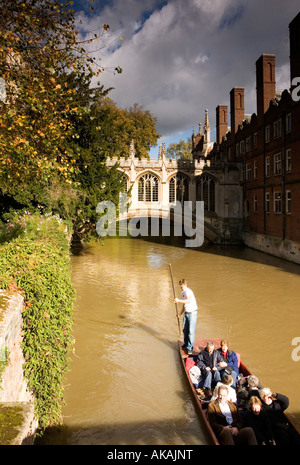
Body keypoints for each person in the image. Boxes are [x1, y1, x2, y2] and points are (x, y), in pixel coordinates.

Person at [174, 279, 198, 355]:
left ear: (185, 285)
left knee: (191, 331)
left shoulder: (188, 291)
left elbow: (188, 301)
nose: (182, 287)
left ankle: (190, 347)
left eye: (183, 286)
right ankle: (186, 343)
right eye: (181, 286)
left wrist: (178, 300)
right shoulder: (182, 293)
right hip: (186, 313)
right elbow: (184, 305)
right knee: (185, 330)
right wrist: (180, 314)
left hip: (192, 313)